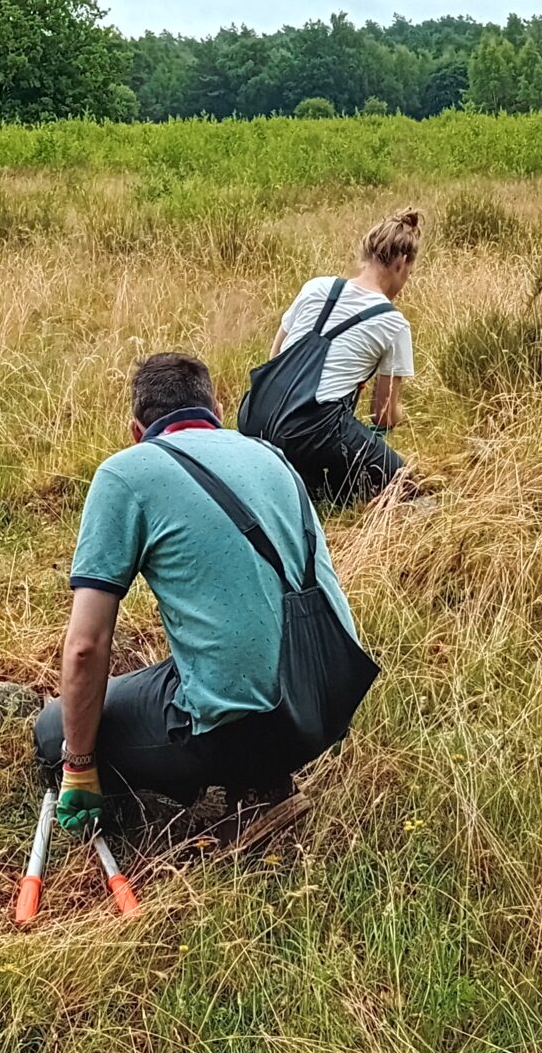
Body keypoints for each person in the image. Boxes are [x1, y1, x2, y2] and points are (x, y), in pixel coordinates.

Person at [34, 352, 379, 837]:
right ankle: (263, 784)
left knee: (54, 730)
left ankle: (244, 783)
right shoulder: (269, 455)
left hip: (242, 728)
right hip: (325, 700)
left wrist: (80, 766)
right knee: (197, 670)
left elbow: (86, 645)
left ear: (137, 431)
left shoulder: (126, 473)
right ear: (217, 409)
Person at [238, 207, 423, 505]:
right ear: (401, 263)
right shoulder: (393, 324)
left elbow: (274, 358)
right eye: (409, 274)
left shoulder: (315, 287)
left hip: (254, 417)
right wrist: (402, 416)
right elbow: (383, 415)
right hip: (311, 432)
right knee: (403, 484)